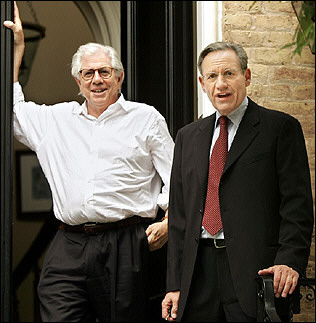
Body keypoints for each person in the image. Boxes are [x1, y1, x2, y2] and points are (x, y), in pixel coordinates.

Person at [4, 3, 174, 322]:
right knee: (55, 307)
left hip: (125, 242)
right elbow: (13, 111)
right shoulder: (57, 119)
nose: (96, 79)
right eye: (88, 73)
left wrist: (169, 220)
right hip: (68, 241)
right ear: (78, 81)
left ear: (119, 77)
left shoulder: (146, 119)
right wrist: (17, 50)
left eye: (104, 72)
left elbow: (178, 177)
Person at [161, 41, 314, 322]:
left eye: (229, 74)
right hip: (197, 275)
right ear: (202, 83)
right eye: (212, 76)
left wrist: (289, 261)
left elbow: (297, 205)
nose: (221, 84)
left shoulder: (280, 129)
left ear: (247, 76)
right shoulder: (187, 137)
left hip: (255, 271)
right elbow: (180, 216)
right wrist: (174, 283)